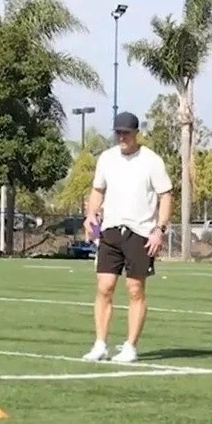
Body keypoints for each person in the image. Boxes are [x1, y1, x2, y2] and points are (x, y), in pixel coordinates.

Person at [81, 110, 173, 364]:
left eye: (127, 133)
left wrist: (159, 230)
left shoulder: (151, 161)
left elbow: (166, 195)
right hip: (111, 230)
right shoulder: (107, 159)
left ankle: (130, 346)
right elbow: (98, 190)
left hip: (140, 232)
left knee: (135, 289)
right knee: (104, 287)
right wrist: (90, 214)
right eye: (118, 133)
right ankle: (100, 344)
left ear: (136, 134)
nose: (122, 137)